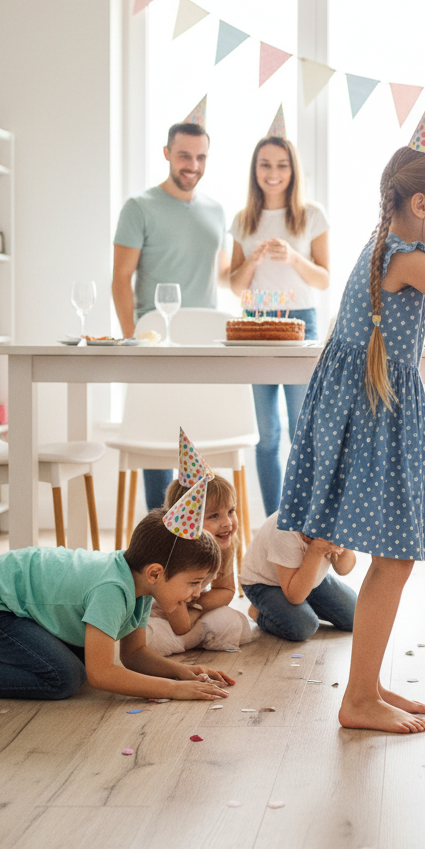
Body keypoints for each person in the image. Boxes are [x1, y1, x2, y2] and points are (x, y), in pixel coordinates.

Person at [277, 82, 425, 733]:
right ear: (423, 202)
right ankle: (358, 699)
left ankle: (366, 687)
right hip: (374, 410)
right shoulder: (407, 259)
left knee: (392, 556)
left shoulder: (395, 249)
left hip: (370, 405)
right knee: (396, 555)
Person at [0, 509, 234, 702]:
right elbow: (101, 674)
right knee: (64, 677)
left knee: (80, 661)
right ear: (155, 573)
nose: (197, 594)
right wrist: (174, 689)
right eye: (194, 582)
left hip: (5, 597)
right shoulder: (112, 589)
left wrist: (182, 673)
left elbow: (134, 653)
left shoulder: (143, 586)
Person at [112, 119, 231, 511]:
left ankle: (201, 537)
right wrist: (133, 339)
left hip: (205, 343)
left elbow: (225, 274)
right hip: (154, 339)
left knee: (201, 441)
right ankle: (160, 533)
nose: (192, 164)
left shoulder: (216, 211)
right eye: (183, 155)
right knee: (157, 442)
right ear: (166, 153)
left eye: (200, 157)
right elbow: (120, 279)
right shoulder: (139, 207)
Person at [229, 133, 330, 516]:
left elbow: (323, 278)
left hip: (300, 323)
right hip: (256, 325)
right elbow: (236, 284)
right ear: (255, 170)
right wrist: (252, 263)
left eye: (281, 165)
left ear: (293, 169)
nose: (273, 173)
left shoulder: (311, 215)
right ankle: (274, 521)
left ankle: (301, 517)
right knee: (267, 434)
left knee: (301, 433)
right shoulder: (244, 220)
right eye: (265, 165)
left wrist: (292, 258)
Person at [145, 475, 255, 655]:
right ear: (186, 520)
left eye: (231, 511)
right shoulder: (174, 552)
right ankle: (188, 640)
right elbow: (181, 625)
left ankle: (185, 641)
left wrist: (196, 610)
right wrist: (191, 619)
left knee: (233, 620)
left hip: (189, 609)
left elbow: (226, 590)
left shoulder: (223, 542)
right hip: (155, 613)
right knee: (148, 638)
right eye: (214, 516)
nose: (227, 523)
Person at [240, 510, 357, 642]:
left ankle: (300, 603)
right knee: (303, 626)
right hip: (265, 583)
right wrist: (315, 551)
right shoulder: (285, 528)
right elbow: (295, 597)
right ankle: (257, 613)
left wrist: (341, 545)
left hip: (309, 576)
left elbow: (344, 569)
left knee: (357, 616)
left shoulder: (335, 519)